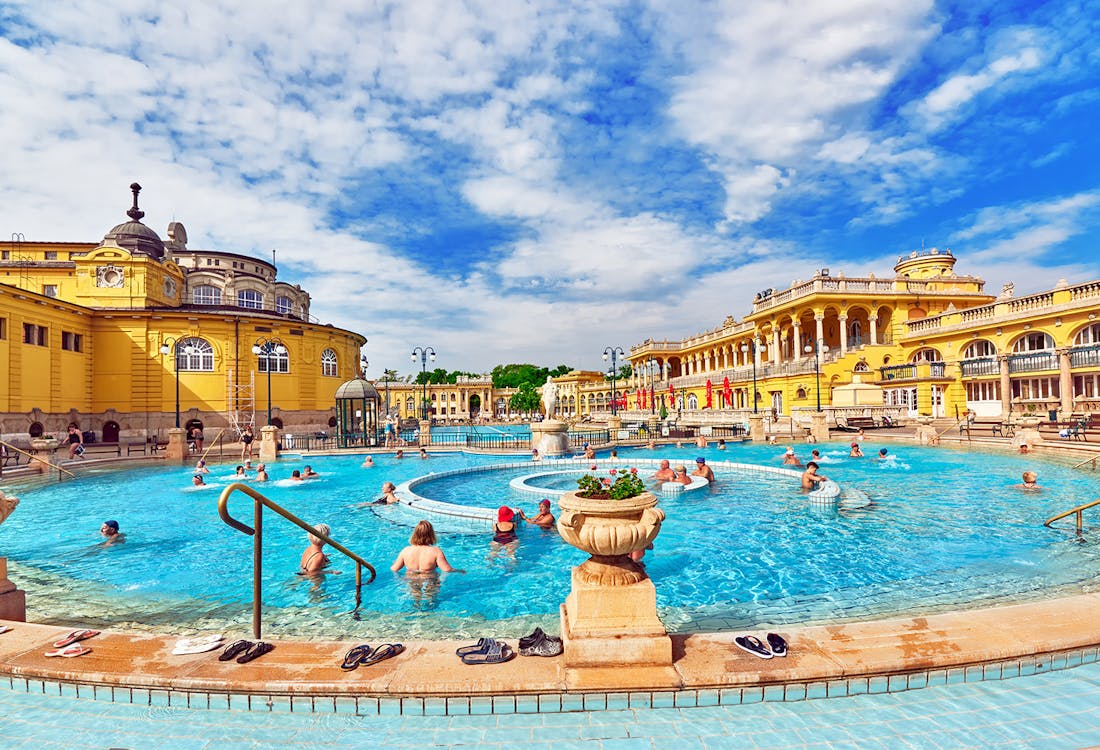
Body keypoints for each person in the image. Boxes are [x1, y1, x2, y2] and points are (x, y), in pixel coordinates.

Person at [390, 520, 459, 573]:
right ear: (431, 534)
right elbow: (447, 570)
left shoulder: (406, 551)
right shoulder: (436, 551)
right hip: (429, 578)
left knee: (414, 591)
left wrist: (394, 563)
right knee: (431, 591)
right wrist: (460, 571)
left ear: (415, 534)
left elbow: (394, 569)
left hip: (411, 578)